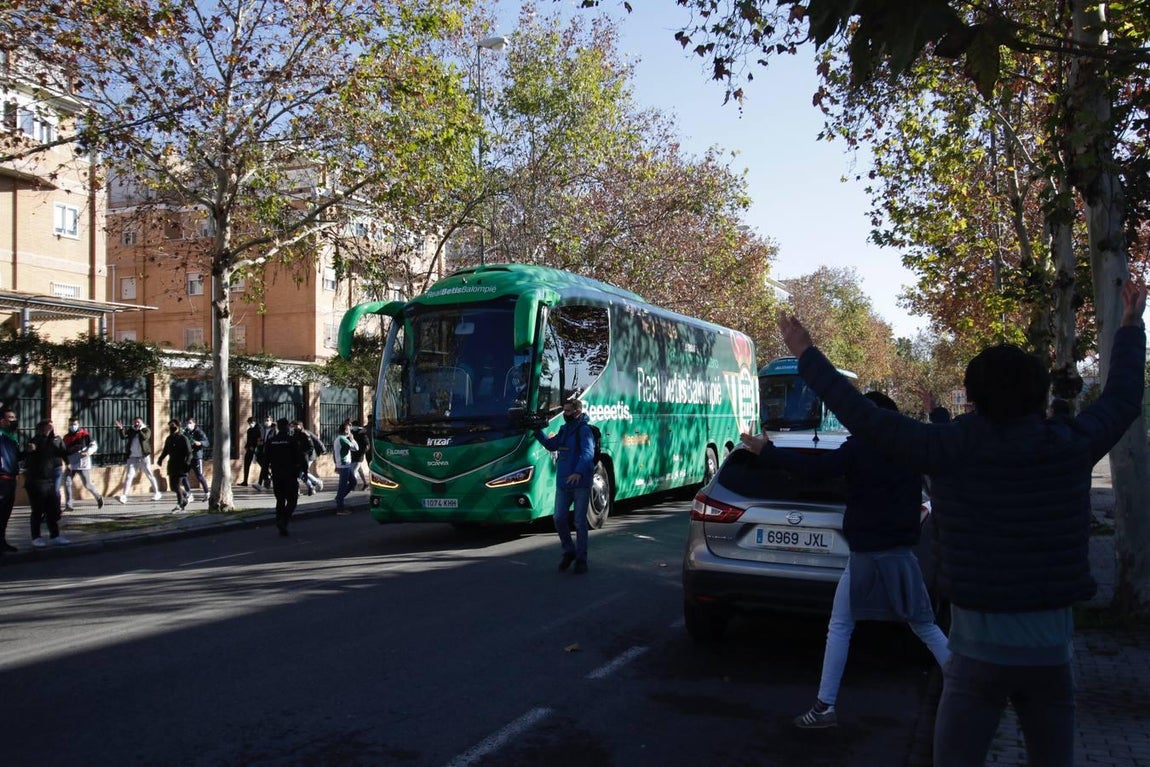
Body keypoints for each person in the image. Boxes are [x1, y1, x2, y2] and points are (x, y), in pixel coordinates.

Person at [774, 280, 1147, 767]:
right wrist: (1130, 328)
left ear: (972, 395)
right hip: (1051, 653)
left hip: (975, 654)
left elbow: (864, 417)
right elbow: (1121, 401)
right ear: (1040, 395)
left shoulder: (948, 446)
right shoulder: (1069, 444)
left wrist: (806, 353)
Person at [740, 391, 951, 729]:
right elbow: (943, 440)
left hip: (866, 552)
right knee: (922, 624)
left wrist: (768, 450)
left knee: (843, 626)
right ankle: (970, 685)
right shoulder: (909, 447)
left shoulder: (860, 448)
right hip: (899, 551)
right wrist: (936, 411)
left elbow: (814, 469)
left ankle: (826, 706)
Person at [533, 398, 596, 574]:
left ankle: (581, 560)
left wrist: (578, 472)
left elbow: (588, 453)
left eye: (568, 411)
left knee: (579, 522)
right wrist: (537, 432)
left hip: (580, 483)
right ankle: (569, 551)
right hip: (563, 483)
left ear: (577, 412)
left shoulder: (584, 431)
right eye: (565, 411)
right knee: (559, 518)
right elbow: (551, 445)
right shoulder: (564, 429)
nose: (565, 414)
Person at [25, 419, 69, 547]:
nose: (50, 429)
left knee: (52, 510)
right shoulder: (36, 440)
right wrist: (31, 449)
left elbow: (62, 452)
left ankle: (55, 535)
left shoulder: (54, 441)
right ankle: (36, 537)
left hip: (49, 481)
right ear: (41, 429)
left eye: (51, 427)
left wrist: (74, 451)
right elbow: (31, 449)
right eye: (47, 427)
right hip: (36, 482)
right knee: (37, 510)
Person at [265, 418, 307, 535]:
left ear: (278, 427)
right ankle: (283, 521)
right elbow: (301, 457)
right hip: (290, 476)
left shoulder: (271, 441)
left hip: (276, 476)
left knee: (280, 500)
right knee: (292, 500)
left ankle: (280, 522)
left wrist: (265, 477)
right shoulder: (292, 440)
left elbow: (265, 460)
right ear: (287, 427)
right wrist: (305, 472)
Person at [114, 416, 163, 503]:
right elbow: (123, 437)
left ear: (141, 422)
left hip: (143, 457)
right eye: (135, 422)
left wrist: (139, 430)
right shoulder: (132, 430)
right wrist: (121, 429)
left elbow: (145, 437)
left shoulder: (146, 430)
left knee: (149, 475)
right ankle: (124, 496)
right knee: (129, 476)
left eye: (138, 422)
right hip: (133, 457)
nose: (136, 424)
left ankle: (157, 493)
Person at [62, 416, 104, 510]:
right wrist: (66, 462)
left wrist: (88, 452)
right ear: (68, 425)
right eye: (71, 424)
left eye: (75, 424)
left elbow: (94, 445)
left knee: (87, 484)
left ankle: (98, 497)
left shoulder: (84, 435)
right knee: (67, 482)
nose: (73, 426)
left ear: (78, 424)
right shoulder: (66, 437)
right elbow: (64, 451)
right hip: (71, 464)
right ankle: (69, 505)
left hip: (83, 463)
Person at [156, 419, 193, 512]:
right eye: (170, 426)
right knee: (172, 487)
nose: (171, 428)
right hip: (172, 465)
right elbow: (165, 451)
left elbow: (189, 453)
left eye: (173, 426)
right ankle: (186, 496)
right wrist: (160, 459)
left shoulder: (183, 438)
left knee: (177, 485)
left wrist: (187, 463)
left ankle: (180, 504)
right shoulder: (169, 439)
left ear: (178, 426)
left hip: (181, 465)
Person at [0, 407, 20, 553]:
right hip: (1, 479)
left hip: (11, 479)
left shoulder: (12, 437)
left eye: (14, 417)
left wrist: (28, 452)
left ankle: (2, 542)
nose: (14, 420)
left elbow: (17, 458)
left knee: (5, 514)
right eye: (10, 418)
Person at [181, 416, 210, 502]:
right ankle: (189, 494)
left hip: (197, 457)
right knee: (184, 475)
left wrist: (199, 443)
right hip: (187, 457)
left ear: (194, 423)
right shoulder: (185, 432)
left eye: (190, 423)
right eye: (187, 423)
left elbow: (207, 442)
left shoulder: (199, 432)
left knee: (199, 476)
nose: (188, 425)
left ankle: (207, 493)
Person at [291, 420, 323, 495]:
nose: (294, 427)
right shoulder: (295, 434)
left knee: (302, 473)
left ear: (300, 425)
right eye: (294, 426)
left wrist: (305, 454)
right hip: (301, 457)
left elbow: (312, 445)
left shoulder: (305, 433)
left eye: (296, 425)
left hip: (309, 456)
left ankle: (316, 482)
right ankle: (311, 487)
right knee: (300, 473)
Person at [332, 421, 358, 515]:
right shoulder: (343, 439)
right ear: (345, 430)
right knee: (342, 486)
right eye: (349, 429)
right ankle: (340, 508)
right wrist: (352, 439)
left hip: (344, 465)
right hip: (344, 465)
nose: (350, 431)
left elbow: (334, 453)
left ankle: (339, 498)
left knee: (353, 482)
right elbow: (356, 448)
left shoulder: (339, 439)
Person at [253, 414, 275, 491]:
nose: (266, 422)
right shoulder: (263, 429)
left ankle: (265, 481)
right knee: (264, 467)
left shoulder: (274, 430)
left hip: (272, 452)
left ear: (271, 421)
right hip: (263, 451)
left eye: (268, 420)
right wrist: (260, 442)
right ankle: (265, 479)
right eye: (265, 420)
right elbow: (261, 438)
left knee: (269, 468)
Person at [240, 416, 260, 486]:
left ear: (253, 422)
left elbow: (259, 439)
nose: (249, 425)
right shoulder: (249, 430)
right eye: (249, 423)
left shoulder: (259, 429)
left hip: (257, 450)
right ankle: (245, 481)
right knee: (246, 464)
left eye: (250, 423)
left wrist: (255, 447)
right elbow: (249, 440)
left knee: (263, 465)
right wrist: (247, 446)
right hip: (249, 449)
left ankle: (268, 477)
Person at [350, 419, 369, 491]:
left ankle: (352, 486)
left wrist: (363, 452)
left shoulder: (362, 434)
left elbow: (367, 445)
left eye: (354, 426)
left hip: (359, 456)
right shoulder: (352, 434)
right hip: (353, 455)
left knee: (353, 471)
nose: (353, 427)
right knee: (360, 470)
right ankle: (365, 483)